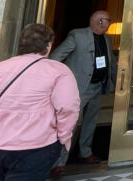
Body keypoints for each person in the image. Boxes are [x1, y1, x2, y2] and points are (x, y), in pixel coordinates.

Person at [0, 23, 80, 181]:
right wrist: (63, 137)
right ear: (48, 45)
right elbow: (68, 108)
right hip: (34, 147)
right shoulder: (58, 70)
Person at [49, 10, 117, 174]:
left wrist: (117, 82)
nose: (110, 23)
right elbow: (56, 57)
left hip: (97, 87)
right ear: (100, 21)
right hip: (79, 88)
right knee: (70, 124)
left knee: (90, 122)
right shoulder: (77, 36)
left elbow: (111, 62)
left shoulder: (107, 39)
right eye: (108, 20)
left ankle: (85, 152)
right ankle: (59, 162)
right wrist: (58, 80)